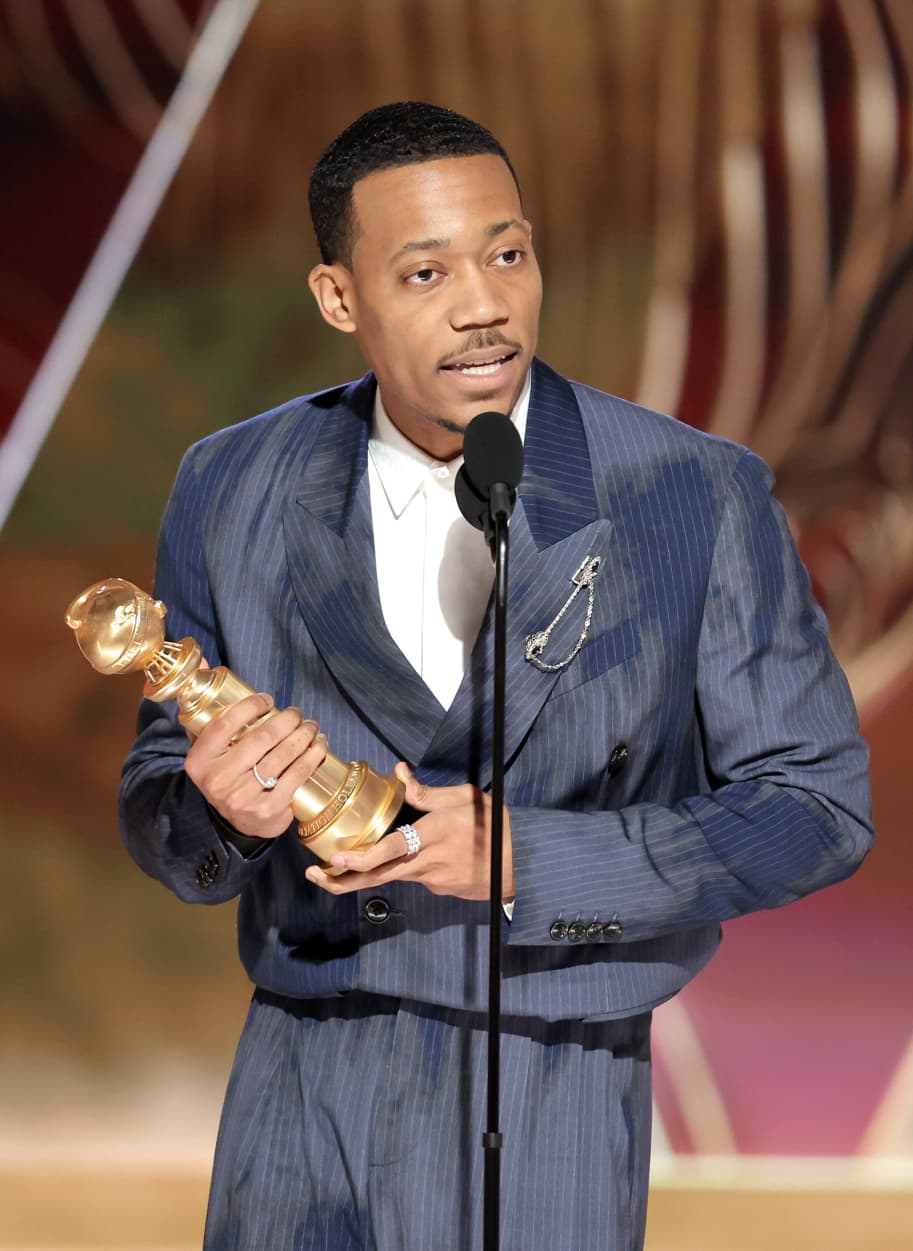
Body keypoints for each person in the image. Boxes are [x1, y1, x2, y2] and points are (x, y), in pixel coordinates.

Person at [120, 102, 874, 1251]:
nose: (483, 304)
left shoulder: (692, 494)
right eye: (425, 272)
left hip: (547, 1075)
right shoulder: (233, 485)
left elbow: (814, 810)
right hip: (298, 1074)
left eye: (507, 254)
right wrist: (215, 812)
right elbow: (165, 803)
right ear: (339, 299)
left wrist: (529, 856)